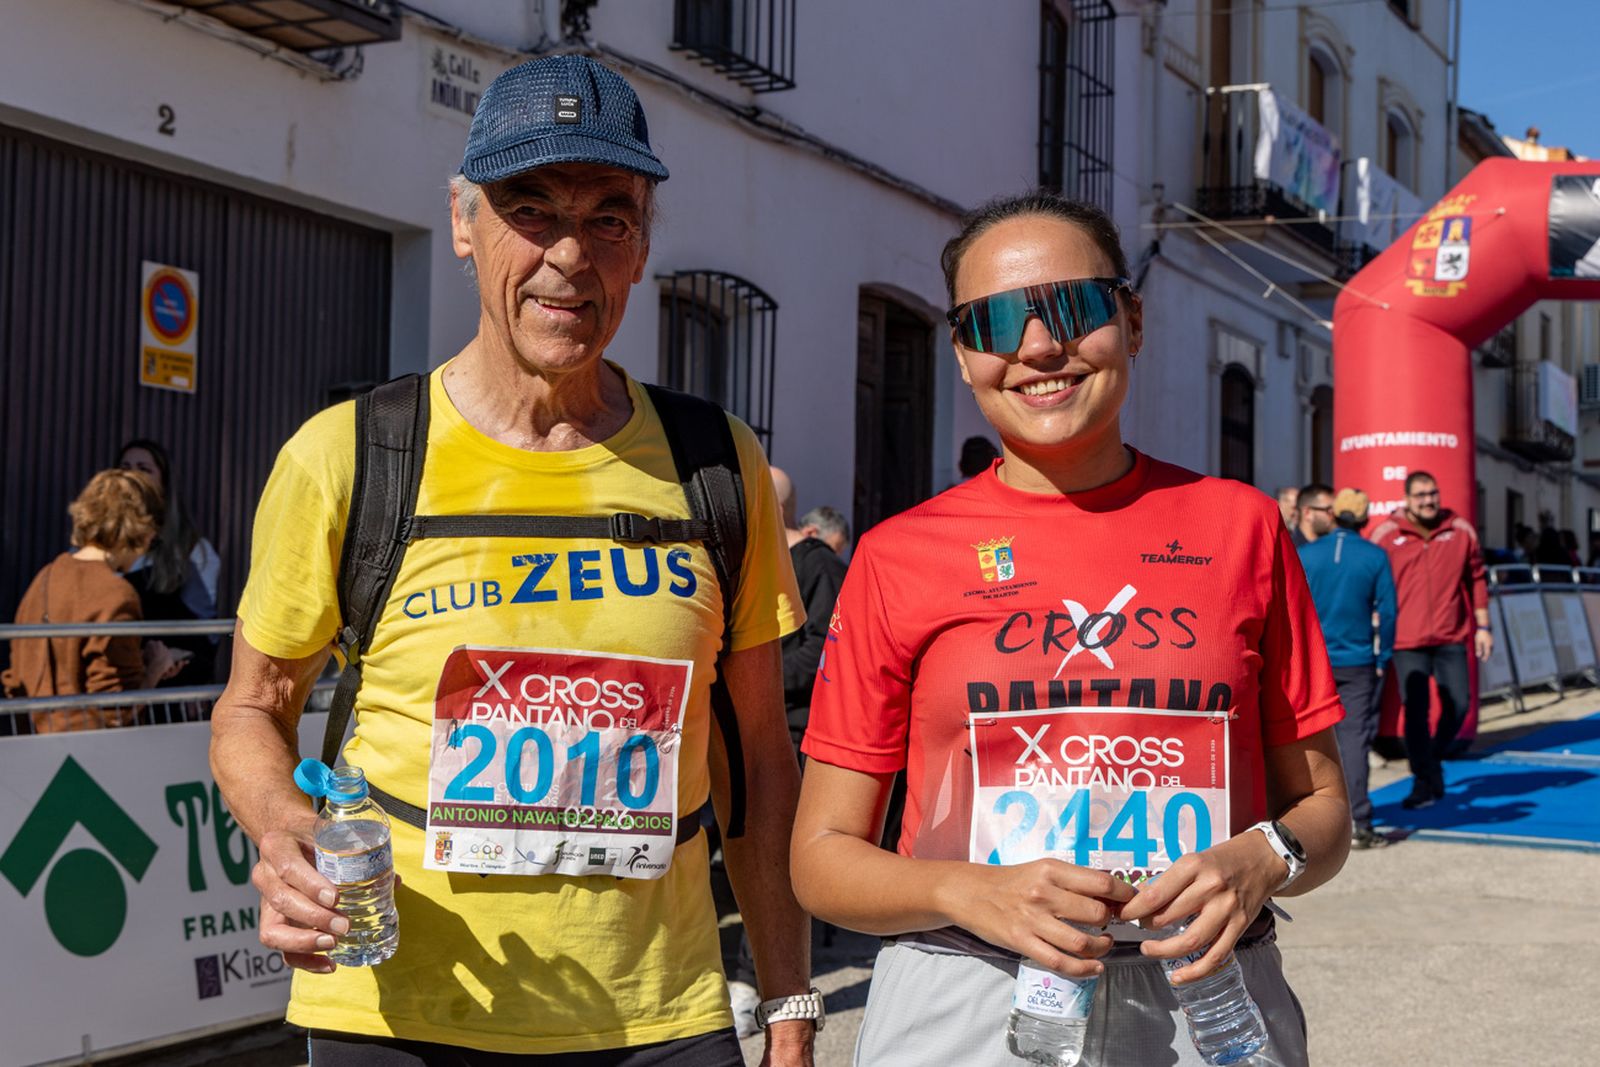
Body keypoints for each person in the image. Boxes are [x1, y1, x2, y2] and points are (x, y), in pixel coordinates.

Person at [210, 55, 815, 1066]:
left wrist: (790, 1002)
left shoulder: (717, 462)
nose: (568, 255)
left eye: (609, 217)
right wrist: (282, 824)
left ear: (642, 246)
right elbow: (250, 707)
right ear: (462, 222)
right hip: (401, 1012)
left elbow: (758, 756)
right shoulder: (348, 455)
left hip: (655, 1016)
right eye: (529, 210)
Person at [790, 191, 1350, 1066]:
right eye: (994, 321)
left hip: (1206, 1001)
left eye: (1074, 309)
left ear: (1132, 321)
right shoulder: (898, 554)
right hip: (968, 1000)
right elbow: (820, 858)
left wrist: (1263, 858)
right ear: (963, 354)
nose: (1039, 347)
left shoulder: (1241, 526)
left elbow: (1323, 812)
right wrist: (969, 891)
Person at [4, 469, 179, 732]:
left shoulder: (45, 577)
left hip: (32, 736)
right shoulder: (116, 593)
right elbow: (117, 708)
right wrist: (155, 668)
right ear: (143, 529)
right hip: (86, 747)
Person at [1369, 471, 1491, 809]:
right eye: (1421, 495)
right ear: (1407, 499)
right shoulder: (1387, 534)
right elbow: (1372, 578)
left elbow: (1477, 579)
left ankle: (1431, 761)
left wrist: (1484, 627)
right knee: (1416, 711)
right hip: (1407, 640)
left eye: (1432, 493)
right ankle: (1423, 779)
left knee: (1459, 704)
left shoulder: (1460, 530)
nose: (1428, 501)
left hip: (1451, 635)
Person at [1296, 490, 1397, 850]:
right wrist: (1383, 657)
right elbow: (1388, 612)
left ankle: (1305, 819)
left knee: (1308, 738)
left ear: (1333, 515)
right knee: (1355, 740)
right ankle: (1359, 822)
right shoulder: (1375, 555)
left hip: (1314, 659)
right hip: (1357, 660)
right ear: (1366, 519)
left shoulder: (1308, 554)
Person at [119, 438, 222, 683]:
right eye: (124, 467)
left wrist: (180, 658)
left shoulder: (192, 551)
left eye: (144, 469)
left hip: (164, 687)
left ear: (164, 483)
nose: (131, 476)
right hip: (106, 683)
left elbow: (206, 635)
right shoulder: (93, 546)